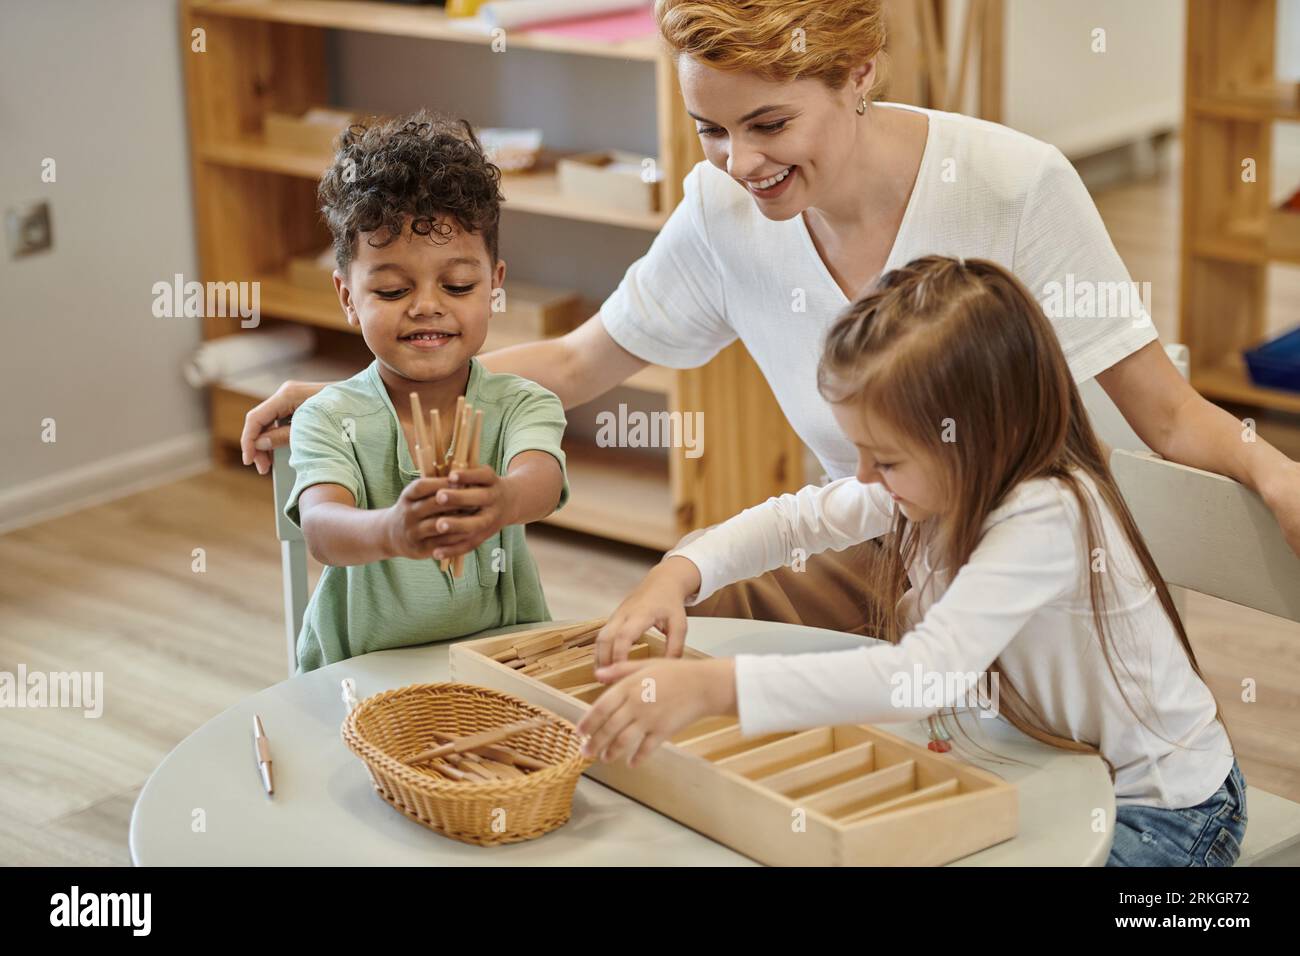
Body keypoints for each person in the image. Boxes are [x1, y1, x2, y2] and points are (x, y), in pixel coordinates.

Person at [242, 0, 1300, 636]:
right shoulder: (723, 207)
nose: (740, 163)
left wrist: (1272, 470)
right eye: (709, 127)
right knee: (657, 667)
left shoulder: (1014, 185)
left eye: (768, 123)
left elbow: (1162, 416)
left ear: (858, 73)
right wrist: (359, 393)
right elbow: (574, 359)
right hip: (866, 544)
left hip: (1025, 572)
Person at [579, 256, 1246, 867]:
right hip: (1048, 771)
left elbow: (921, 678)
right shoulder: (936, 483)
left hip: (1166, 816)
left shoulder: (1047, 515)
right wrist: (678, 572)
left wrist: (714, 688)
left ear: (984, 435)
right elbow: (794, 521)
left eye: (887, 458)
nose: (865, 476)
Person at [284, 111, 568, 672]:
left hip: (498, 665)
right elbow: (322, 530)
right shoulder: (328, 416)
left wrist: (502, 502)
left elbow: (542, 480)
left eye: (458, 285)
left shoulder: (519, 403)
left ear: (495, 286)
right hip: (361, 673)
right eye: (392, 290)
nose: (426, 306)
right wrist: (391, 530)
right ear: (347, 296)